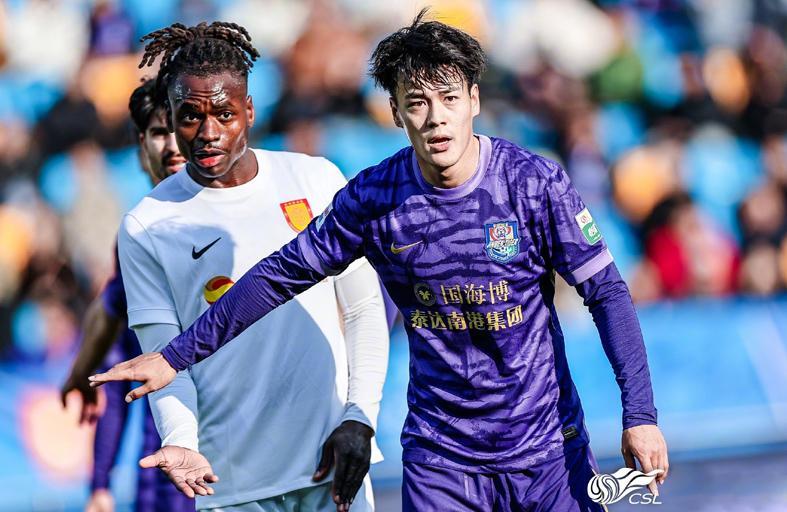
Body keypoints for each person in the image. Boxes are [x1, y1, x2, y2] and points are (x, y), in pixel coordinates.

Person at [92, 12, 669, 511]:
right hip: (442, 461)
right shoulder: (374, 200)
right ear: (395, 112)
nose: (435, 118)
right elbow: (277, 276)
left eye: (449, 98)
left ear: (473, 100)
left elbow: (607, 293)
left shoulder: (533, 184)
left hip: (546, 451)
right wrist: (175, 356)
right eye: (417, 102)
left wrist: (640, 414)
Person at [94, 21, 389, 512]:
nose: (208, 133)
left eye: (225, 114)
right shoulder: (147, 226)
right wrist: (181, 439)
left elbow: (362, 309)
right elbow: (164, 359)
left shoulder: (314, 179)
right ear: (172, 115)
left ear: (249, 110)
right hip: (231, 483)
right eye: (190, 117)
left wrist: (360, 415)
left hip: (333, 466)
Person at [61, 79, 192, 512]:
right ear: (141, 145)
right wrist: (100, 484)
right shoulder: (136, 236)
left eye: (180, 128)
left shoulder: (239, 226)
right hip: (160, 478)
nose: (171, 145)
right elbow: (120, 352)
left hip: (235, 467)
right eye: (158, 132)